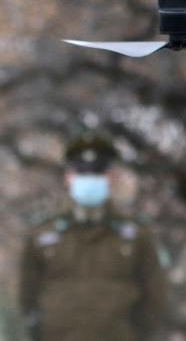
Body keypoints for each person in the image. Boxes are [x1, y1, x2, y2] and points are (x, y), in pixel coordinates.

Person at [20, 132, 167, 341]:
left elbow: (155, 295)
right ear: (68, 177)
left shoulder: (136, 236)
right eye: (82, 171)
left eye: (98, 171)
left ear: (112, 177)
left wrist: (135, 334)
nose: (89, 178)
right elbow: (28, 297)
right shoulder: (42, 235)